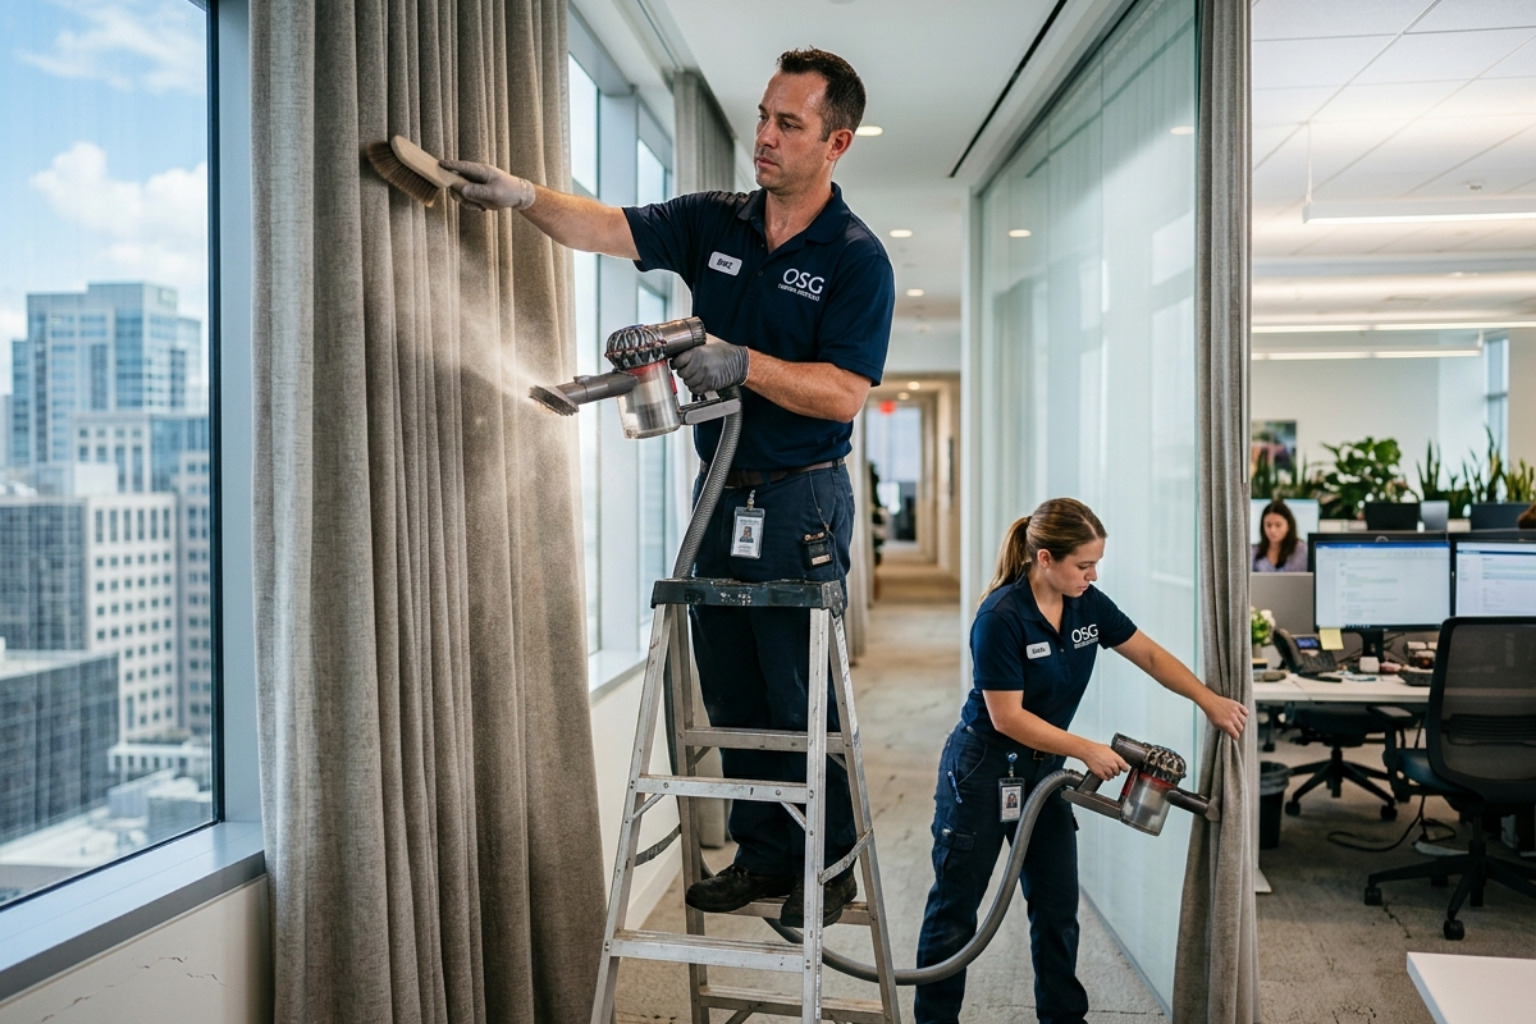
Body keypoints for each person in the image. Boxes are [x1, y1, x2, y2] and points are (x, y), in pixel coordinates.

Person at [441, 47, 894, 927]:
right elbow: (604, 226)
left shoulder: (855, 259)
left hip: (802, 496)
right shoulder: (715, 222)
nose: (762, 137)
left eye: (787, 124)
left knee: (798, 694)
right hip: (719, 491)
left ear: (836, 141)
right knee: (728, 686)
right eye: (762, 116)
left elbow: (844, 391)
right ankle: (764, 858)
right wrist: (524, 196)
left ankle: (828, 865)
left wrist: (746, 363)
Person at [914, 498, 1248, 1024]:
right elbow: (1007, 718)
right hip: (982, 770)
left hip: (1044, 773)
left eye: (1097, 564)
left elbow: (1152, 656)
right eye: (1083, 565)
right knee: (957, 910)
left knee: (1056, 909)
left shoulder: (1087, 606)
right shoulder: (1001, 617)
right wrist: (1086, 748)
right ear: (1045, 558)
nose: (1092, 575)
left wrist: (1208, 700)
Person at [1252, 499, 1307, 573]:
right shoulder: (1254, 552)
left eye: (1278, 525)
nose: (1272, 530)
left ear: (1288, 526)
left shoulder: (1302, 550)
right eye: (1268, 525)